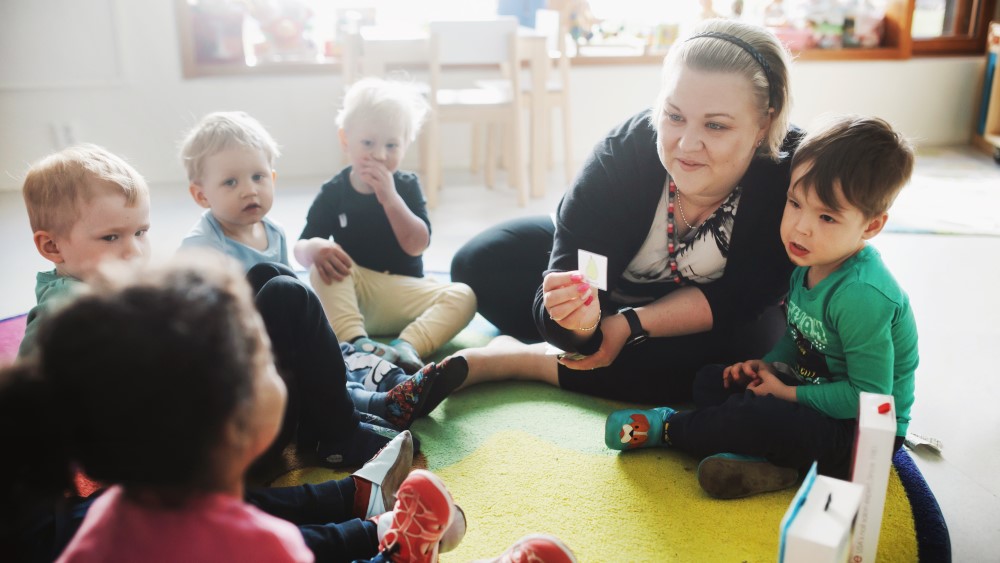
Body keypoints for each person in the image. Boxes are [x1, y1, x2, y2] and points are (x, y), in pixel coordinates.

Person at [0, 256, 468, 563]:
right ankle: (394, 548)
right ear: (236, 428)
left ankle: (361, 504)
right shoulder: (266, 546)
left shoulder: (103, 521)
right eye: (265, 362)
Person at [451, 19, 801, 403]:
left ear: (764, 123)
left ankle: (523, 360)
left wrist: (629, 325)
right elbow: (580, 270)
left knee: (745, 356)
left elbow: (743, 299)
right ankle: (600, 354)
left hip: (710, 313)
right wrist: (581, 323)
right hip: (614, 287)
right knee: (478, 265)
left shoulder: (792, 175)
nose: (687, 144)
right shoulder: (623, 154)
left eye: (716, 126)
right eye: (674, 116)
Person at [604, 115, 918, 499]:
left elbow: (867, 401)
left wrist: (786, 395)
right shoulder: (810, 261)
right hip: (814, 395)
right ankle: (771, 462)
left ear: (871, 226)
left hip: (861, 436)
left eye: (826, 217)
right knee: (712, 380)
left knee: (759, 415)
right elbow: (799, 336)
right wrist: (768, 365)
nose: (801, 227)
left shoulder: (861, 296)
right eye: (795, 203)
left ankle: (670, 429)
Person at [177, 110, 461, 433]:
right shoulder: (202, 247)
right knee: (316, 370)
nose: (249, 190)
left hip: (278, 341)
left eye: (258, 177)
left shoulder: (272, 231)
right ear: (201, 194)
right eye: (231, 182)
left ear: (272, 178)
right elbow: (194, 326)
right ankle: (376, 405)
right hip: (242, 356)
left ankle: (396, 379)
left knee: (336, 351)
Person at [295, 77, 477, 374]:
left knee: (464, 296)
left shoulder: (406, 186)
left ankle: (407, 346)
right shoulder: (335, 191)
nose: (380, 155)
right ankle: (355, 343)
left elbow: (417, 244)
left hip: (404, 296)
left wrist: (390, 199)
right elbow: (301, 247)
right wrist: (315, 248)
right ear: (345, 140)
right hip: (355, 295)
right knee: (321, 266)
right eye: (368, 143)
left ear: (406, 145)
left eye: (391, 145)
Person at [17, 144, 151, 359]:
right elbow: (30, 374)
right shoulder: (64, 309)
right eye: (110, 237)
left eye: (140, 232)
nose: (135, 252)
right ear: (52, 246)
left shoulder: (111, 280)